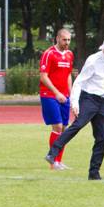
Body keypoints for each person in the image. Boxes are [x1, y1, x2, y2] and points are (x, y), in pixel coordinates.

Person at [45, 35, 104, 180]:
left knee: (102, 138)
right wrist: (75, 103)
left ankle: (94, 173)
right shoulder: (93, 61)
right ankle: (52, 153)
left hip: (103, 102)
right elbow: (78, 82)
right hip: (89, 99)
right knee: (77, 125)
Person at [39, 29, 74, 170]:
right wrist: (57, 92)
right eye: (64, 40)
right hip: (49, 95)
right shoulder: (49, 54)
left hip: (65, 97)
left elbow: (68, 75)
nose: (67, 43)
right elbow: (43, 76)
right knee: (58, 126)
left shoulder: (70, 55)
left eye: (69, 40)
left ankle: (58, 161)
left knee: (65, 129)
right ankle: (53, 162)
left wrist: (71, 95)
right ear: (57, 39)